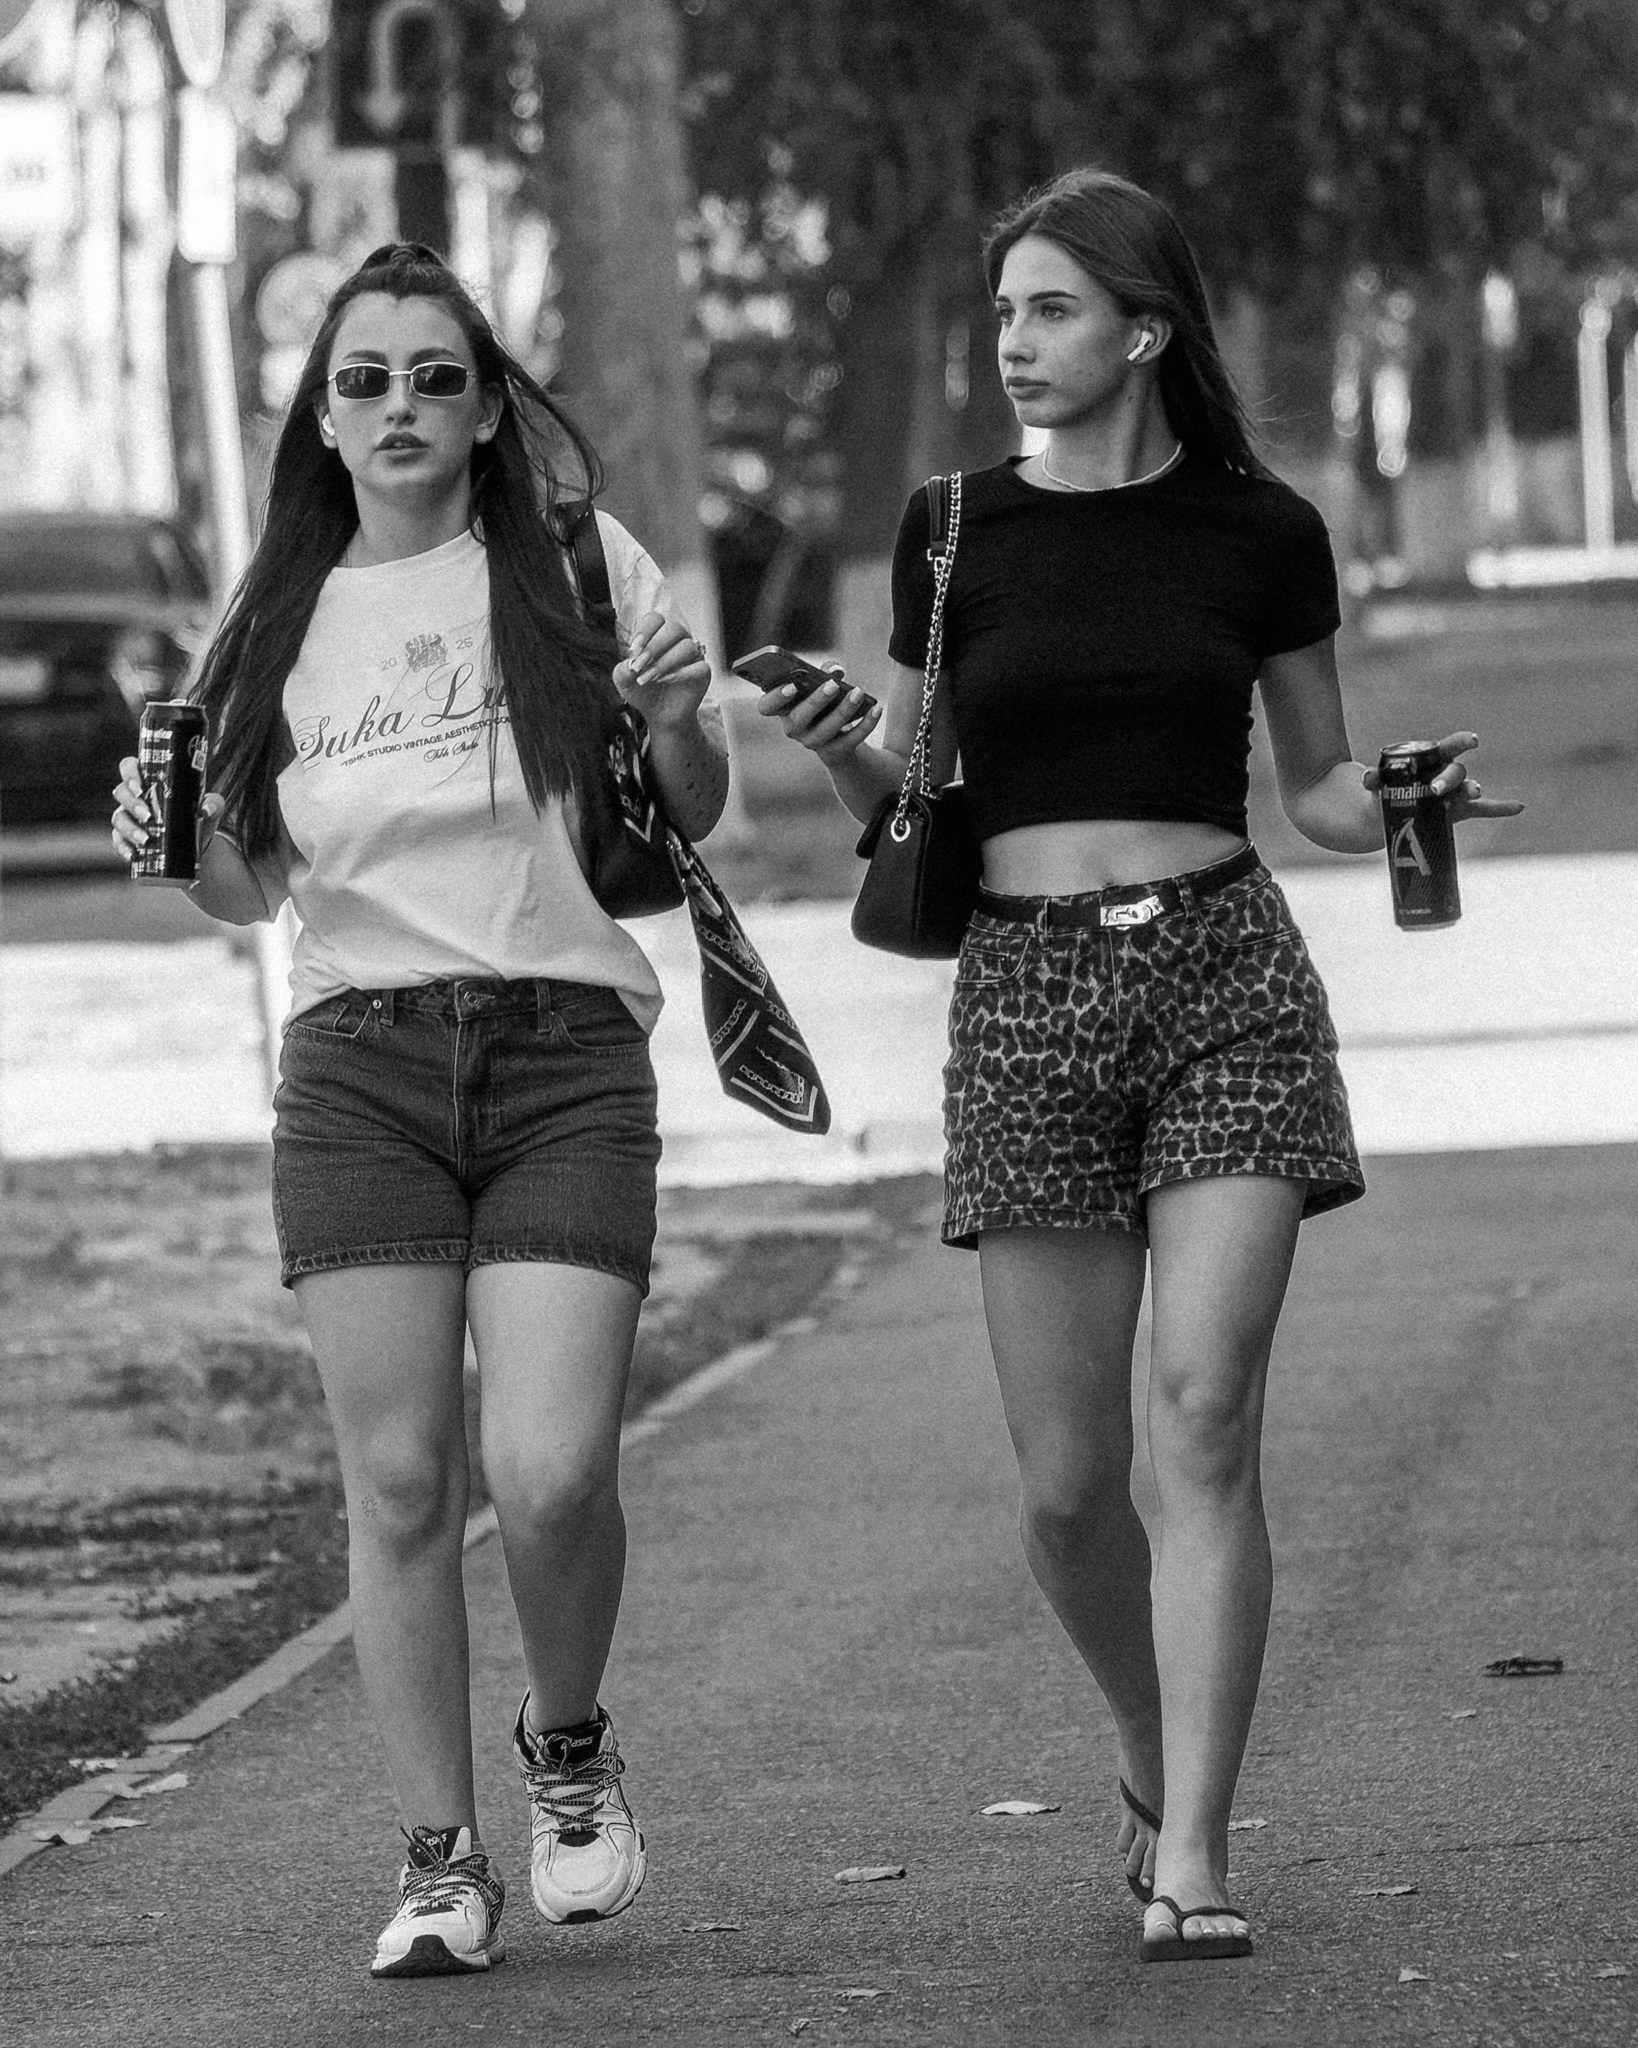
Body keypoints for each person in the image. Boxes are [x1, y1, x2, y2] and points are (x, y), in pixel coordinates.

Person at [763, 169, 1520, 1962]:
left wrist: (1401, 802)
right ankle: (1144, 1744)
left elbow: (1312, 786)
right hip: (1023, 993)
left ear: (1143, 330)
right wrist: (841, 749)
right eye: (1003, 314)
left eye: (1049, 311)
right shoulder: (950, 530)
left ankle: (1195, 1849)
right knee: (1062, 1490)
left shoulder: (1261, 531)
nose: (1013, 345)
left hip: (1221, 978)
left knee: (1202, 1413)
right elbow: (924, 805)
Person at [111, 243, 728, 1978]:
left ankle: (569, 1748)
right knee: (395, 1482)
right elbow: (247, 889)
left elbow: (682, 817)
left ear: (484, 411)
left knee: (548, 1472)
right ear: (321, 415)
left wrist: (678, 722)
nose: (399, 406)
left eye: (435, 377)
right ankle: (440, 1861)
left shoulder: (577, 571)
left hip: (562, 1056)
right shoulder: (268, 617)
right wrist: (169, 845)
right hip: (359, 1068)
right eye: (364, 379)